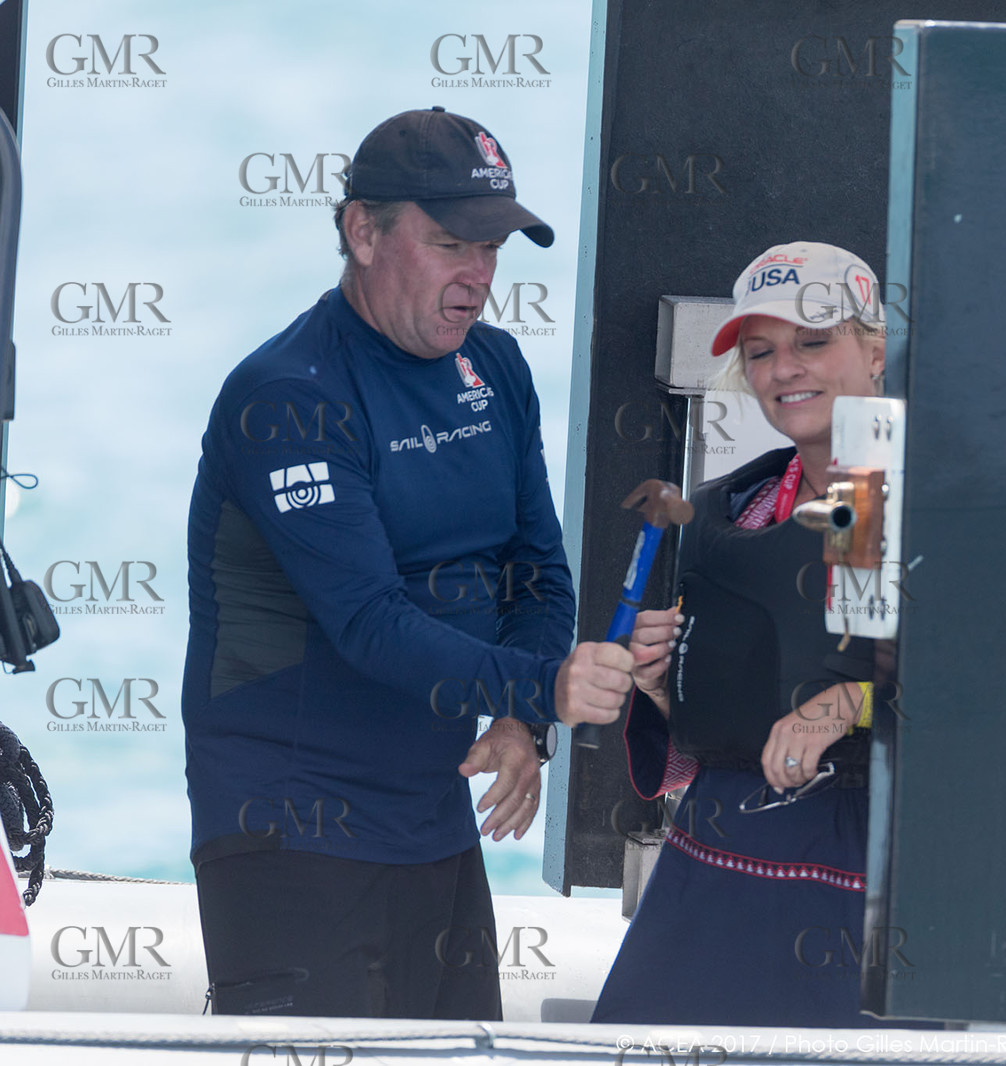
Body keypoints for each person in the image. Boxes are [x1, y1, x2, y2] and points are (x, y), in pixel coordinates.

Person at [181, 107, 633, 1020]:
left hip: (431, 811)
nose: (478, 276)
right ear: (362, 231)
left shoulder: (495, 367)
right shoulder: (285, 395)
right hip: (291, 821)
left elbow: (536, 571)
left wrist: (519, 720)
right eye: (449, 243)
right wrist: (546, 684)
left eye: (493, 247)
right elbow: (368, 622)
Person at [591, 242, 898, 1027]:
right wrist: (668, 687)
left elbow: (994, 694)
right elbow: (688, 756)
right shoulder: (733, 508)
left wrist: (847, 705)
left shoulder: (930, 492)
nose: (785, 368)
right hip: (715, 870)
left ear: (875, 349)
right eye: (761, 352)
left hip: (869, 881)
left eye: (814, 341)